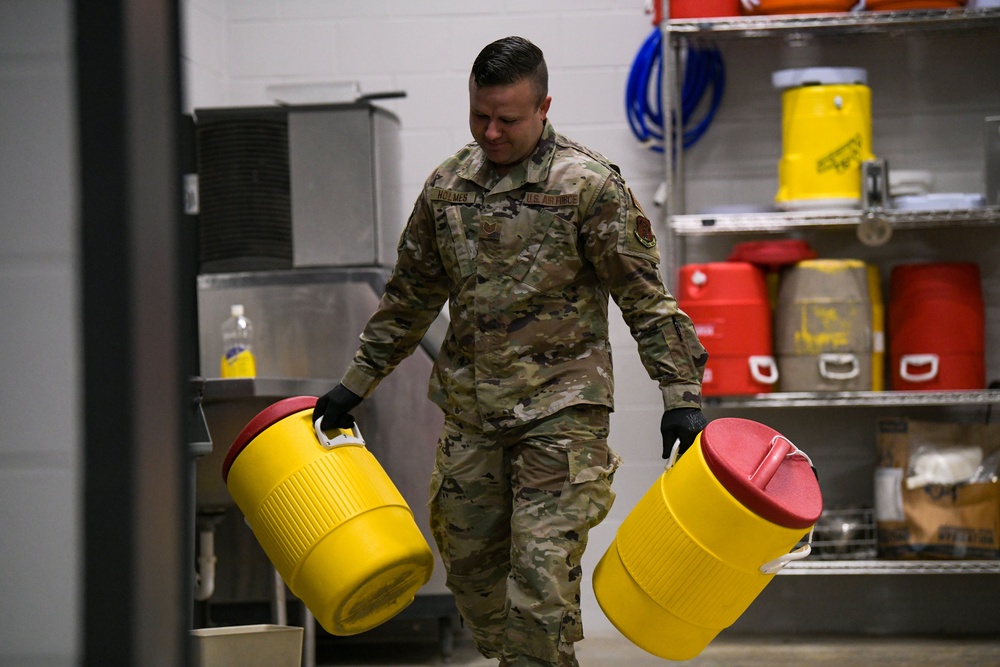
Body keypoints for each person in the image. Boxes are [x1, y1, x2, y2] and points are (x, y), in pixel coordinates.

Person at [314, 36, 708, 667]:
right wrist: (354, 385)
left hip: (562, 416)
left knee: (539, 588)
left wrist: (680, 398)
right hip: (473, 416)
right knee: (474, 582)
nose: (491, 132)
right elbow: (408, 299)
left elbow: (647, 301)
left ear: (544, 107)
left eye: (508, 119)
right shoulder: (447, 188)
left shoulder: (588, 186)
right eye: (480, 115)